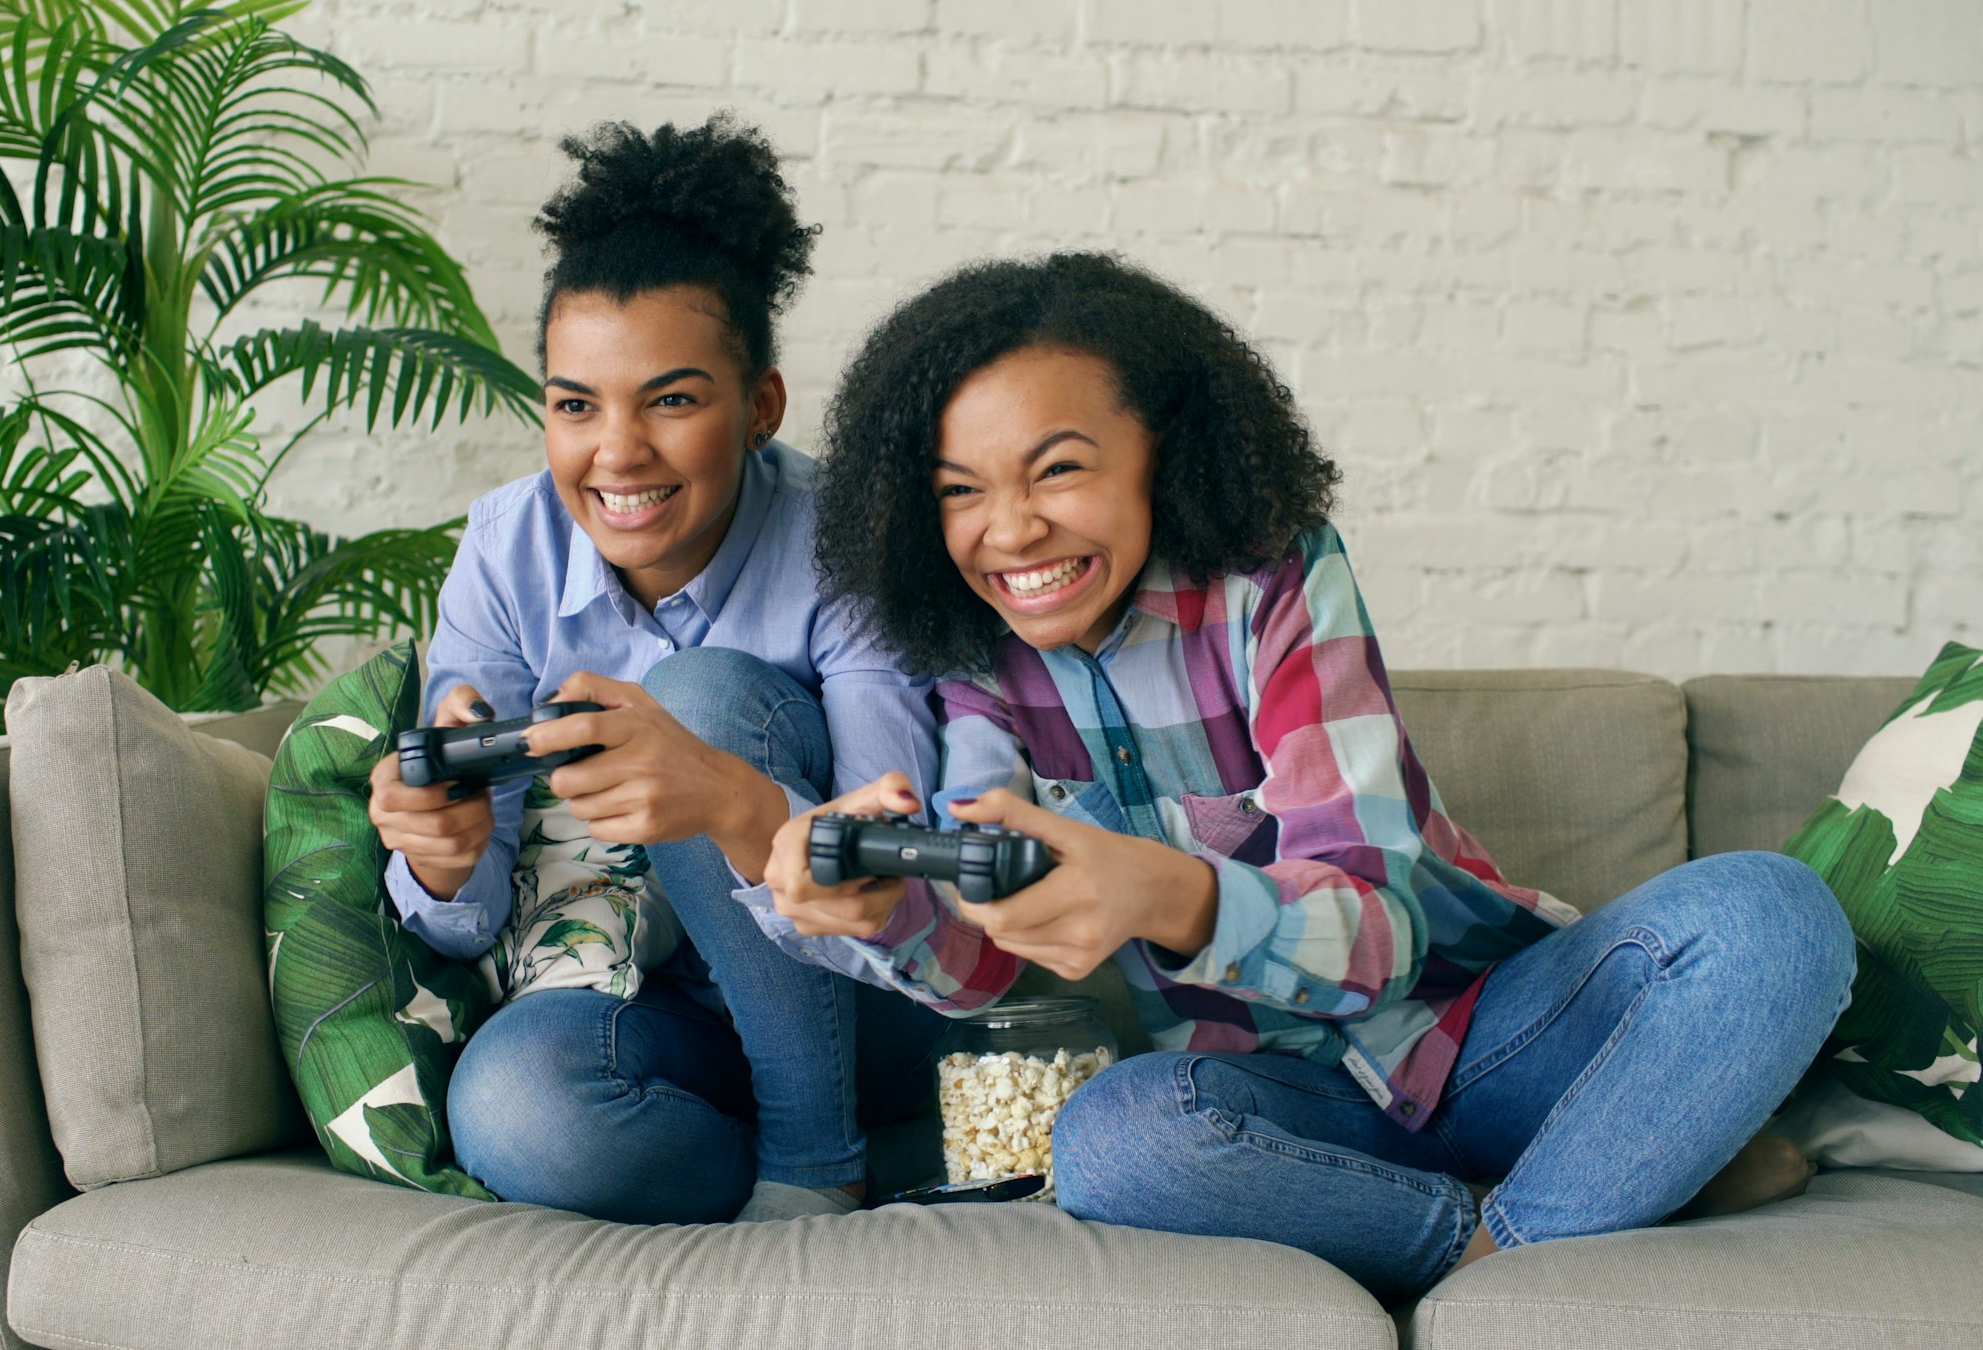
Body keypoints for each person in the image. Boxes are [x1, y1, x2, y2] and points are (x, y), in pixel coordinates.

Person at [762, 252, 1854, 1301]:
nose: (1011, 529)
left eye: (1058, 469)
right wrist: (879, 912)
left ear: (1164, 450)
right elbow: (983, 974)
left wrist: (1165, 892)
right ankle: (1567, 1205)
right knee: (1113, 1142)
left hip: (1489, 1030)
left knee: (1772, 911)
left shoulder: (1272, 580)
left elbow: (1377, 937)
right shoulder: (972, 663)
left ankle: (1515, 1248)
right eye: (961, 491)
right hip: (1292, 1103)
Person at [366, 116, 944, 1225]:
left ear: (760, 406)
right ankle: (851, 1159)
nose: (617, 452)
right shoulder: (504, 551)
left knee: (702, 700)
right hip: (664, 1013)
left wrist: (724, 793)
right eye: (575, 405)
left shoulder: (850, 547)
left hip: (860, 1003)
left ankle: (821, 1165)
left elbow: (894, 884)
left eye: (671, 400)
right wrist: (440, 859)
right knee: (518, 1108)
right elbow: (466, 919)